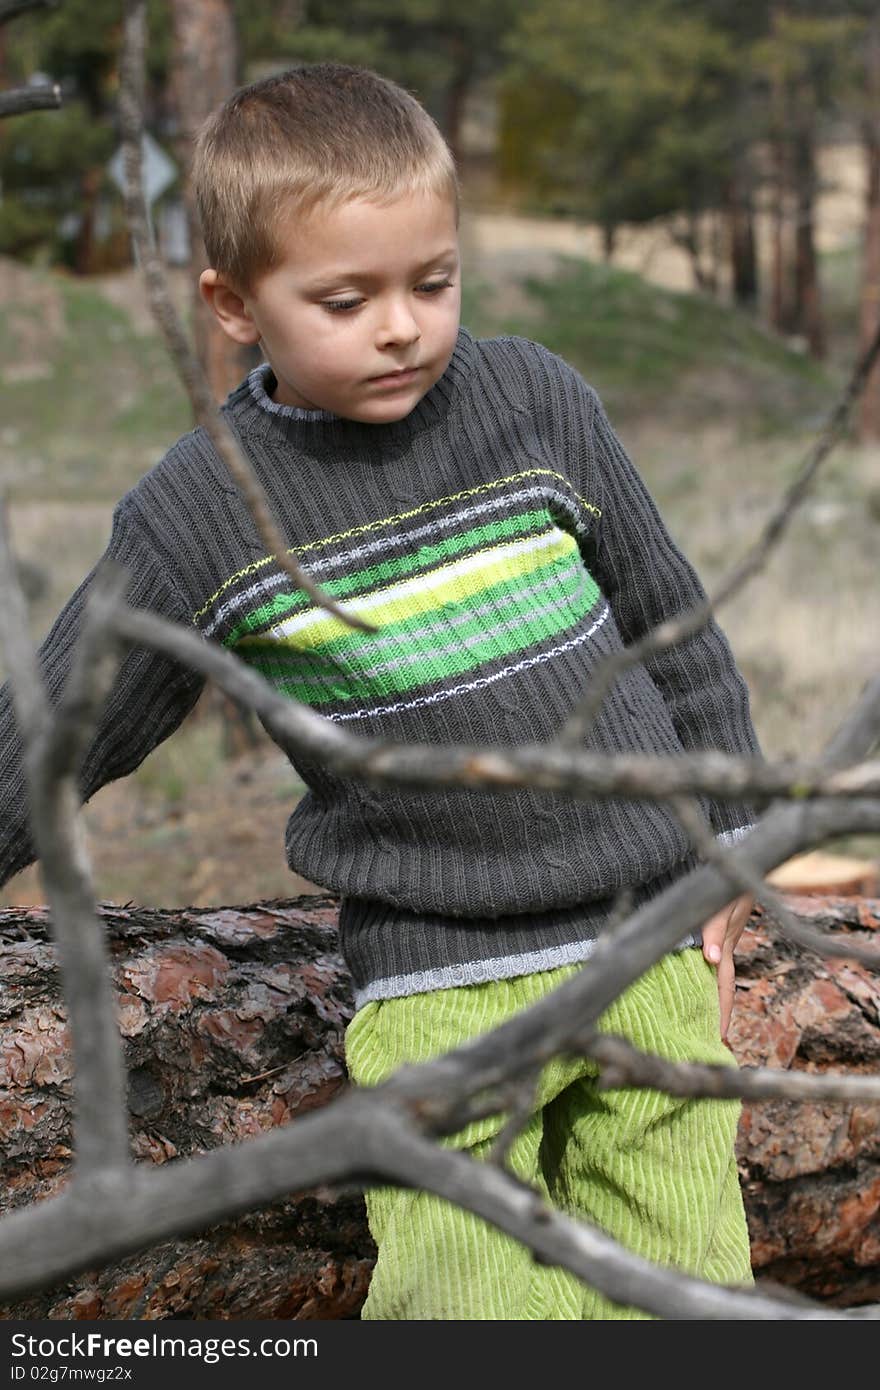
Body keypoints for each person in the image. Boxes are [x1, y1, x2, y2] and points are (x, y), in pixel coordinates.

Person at [0, 63, 762, 1319]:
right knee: (465, 1302)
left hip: (649, 941)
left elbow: (667, 623)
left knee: (687, 1283)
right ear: (234, 303)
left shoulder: (535, 402)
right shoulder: (205, 514)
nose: (402, 325)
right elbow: (62, 729)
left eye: (433, 281)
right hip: (440, 986)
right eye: (346, 299)